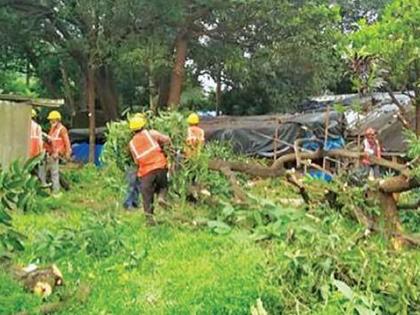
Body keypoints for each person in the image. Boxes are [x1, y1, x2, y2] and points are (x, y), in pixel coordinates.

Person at [128, 115, 171, 224]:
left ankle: (149, 219)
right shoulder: (151, 133)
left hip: (146, 173)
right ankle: (161, 197)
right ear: (143, 125)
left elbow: (136, 161)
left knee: (147, 196)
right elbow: (167, 139)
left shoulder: (131, 144)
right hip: (160, 166)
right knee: (163, 186)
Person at [43, 111, 72, 194]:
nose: (50, 122)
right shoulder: (53, 129)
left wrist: (67, 153)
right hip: (52, 152)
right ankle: (65, 186)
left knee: (54, 172)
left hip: (58, 153)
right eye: (50, 120)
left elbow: (67, 142)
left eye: (52, 120)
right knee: (53, 171)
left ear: (57, 120)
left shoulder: (62, 129)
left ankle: (56, 191)